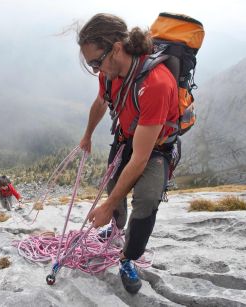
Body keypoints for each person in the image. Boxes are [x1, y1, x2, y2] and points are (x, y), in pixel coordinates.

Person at [78, 13, 179, 294]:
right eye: (91, 65)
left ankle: (127, 258)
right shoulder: (109, 75)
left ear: (118, 48)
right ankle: (116, 227)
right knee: (113, 187)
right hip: (126, 139)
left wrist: (107, 205)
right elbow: (101, 102)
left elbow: (141, 158)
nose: (96, 69)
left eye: (97, 62)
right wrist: (87, 135)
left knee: (145, 200)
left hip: (155, 149)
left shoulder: (156, 84)